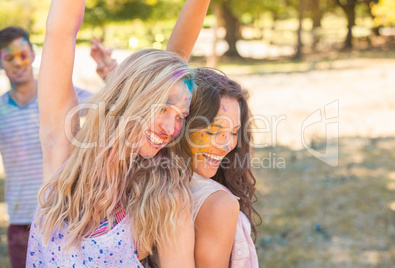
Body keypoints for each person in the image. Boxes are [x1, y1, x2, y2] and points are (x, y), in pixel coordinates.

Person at [26, 0, 210, 267]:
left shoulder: (162, 195)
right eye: (162, 109)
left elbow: (170, 68)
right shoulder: (63, 154)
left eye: (181, 116)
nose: (171, 129)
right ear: (130, 99)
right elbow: (60, 32)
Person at [0, 26, 93, 268]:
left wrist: (108, 70)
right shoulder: (1, 111)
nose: (18, 63)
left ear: (32, 54)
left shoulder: (62, 96)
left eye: (22, 54)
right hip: (22, 222)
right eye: (9, 57)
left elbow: (112, 107)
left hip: (67, 215)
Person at [177, 68, 261, 267]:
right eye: (215, 130)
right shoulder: (220, 204)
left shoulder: (155, 180)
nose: (227, 145)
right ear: (184, 123)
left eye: (234, 132)